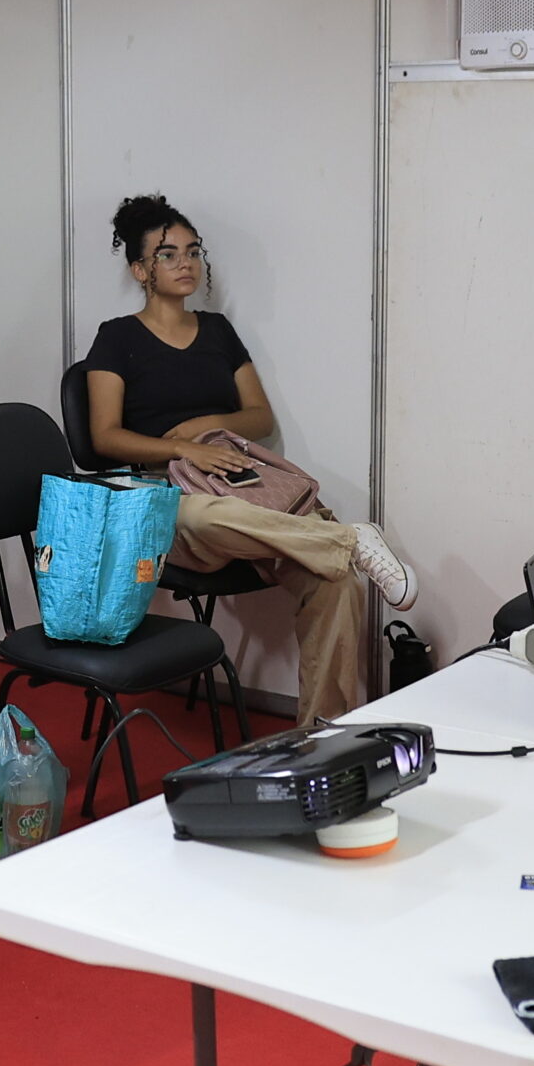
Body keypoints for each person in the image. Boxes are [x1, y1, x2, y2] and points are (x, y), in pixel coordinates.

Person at [83, 194, 416, 724]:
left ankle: (322, 736)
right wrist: (182, 448)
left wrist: (204, 430)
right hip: (166, 499)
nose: (186, 262)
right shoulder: (116, 337)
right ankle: (348, 539)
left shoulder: (218, 331)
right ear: (140, 269)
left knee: (338, 584)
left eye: (193, 250)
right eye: (168, 254)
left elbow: (259, 417)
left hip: (240, 487)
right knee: (200, 513)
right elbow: (104, 436)